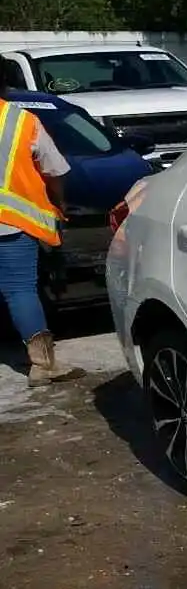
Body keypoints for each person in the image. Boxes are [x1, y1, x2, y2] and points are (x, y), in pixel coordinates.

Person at [0, 89, 82, 386]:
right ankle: (43, 365)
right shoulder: (20, 121)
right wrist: (59, 202)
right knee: (19, 290)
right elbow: (55, 169)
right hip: (8, 224)